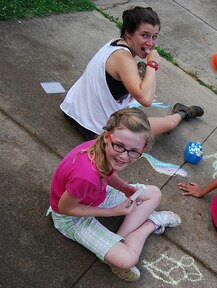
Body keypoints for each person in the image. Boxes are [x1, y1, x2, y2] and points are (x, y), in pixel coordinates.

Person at [49, 108, 181, 282]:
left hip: (95, 195)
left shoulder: (102, 148)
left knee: (154, 193)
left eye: (134, 151)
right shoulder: (86, 176)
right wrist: (112, 211)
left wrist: (125, 188)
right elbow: (63, 208)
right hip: (70, 218)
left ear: (143, 148)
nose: (124, 156)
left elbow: (107, 172)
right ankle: (150, 225)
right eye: (119, 146)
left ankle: (119, 239)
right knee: (128, 260)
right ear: (106, 136)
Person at [60, 6, 204, 141]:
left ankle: (140, 74)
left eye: (154, 37)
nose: (150, 43)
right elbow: (146, 100)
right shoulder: (124, 59)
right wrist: (151, 65)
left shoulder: (115, 43)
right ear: (128, 32)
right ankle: (182, 112)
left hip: (71, 110)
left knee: (135, 89)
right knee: (169, 124)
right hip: (95, 130)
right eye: (145, 35)